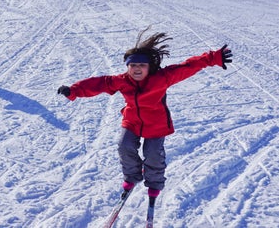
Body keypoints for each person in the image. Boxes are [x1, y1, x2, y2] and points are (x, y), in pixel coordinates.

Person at [57, 27, 232, 201]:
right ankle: (132, 176)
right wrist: (73, 90)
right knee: (124, 146)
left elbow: (187, 67)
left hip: (156, 124)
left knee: (153, 154)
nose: (137, 69)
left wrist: (212, 58)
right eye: (133, 65)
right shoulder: (122, 81)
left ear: (150, 67)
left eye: (142, 65)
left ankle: (154, 183)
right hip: (132, 121)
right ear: (127, 67)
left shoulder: (162, 78)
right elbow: (98, 83)